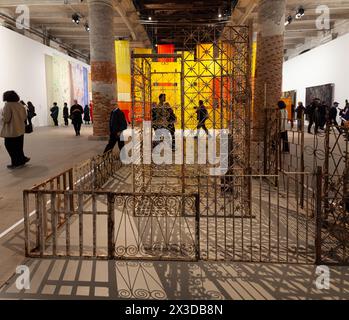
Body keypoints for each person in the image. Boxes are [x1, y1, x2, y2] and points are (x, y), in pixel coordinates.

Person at [0, 91, 30, 169]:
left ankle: (16, 162)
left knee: (9, 146)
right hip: (20, 129)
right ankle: (21, 160)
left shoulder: (8, 105)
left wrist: (1, 117)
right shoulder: (20, 105)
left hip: (11, 131)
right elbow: (24, 117)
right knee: (18, 146)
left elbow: (6, 119)